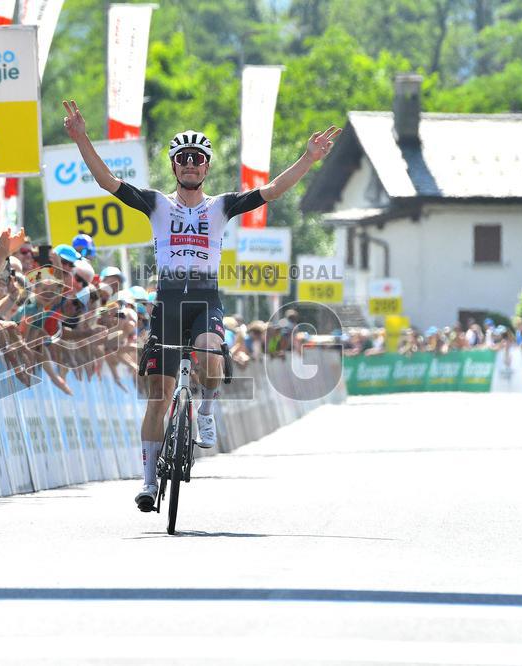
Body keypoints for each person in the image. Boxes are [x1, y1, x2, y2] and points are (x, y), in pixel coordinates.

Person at [62, 99, 341, 511]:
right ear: (175, 167)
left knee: (211, 355)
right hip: (168, 302)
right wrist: (82, 138)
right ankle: (148, 481)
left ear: (206, 167)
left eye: (197, 159)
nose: (190, 164)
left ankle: (207, 411)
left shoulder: (221, 206)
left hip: (206, 299)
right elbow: (107, 182)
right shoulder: (156, 203)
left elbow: (274, 190)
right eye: (183, 159)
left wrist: (307, 158)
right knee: (158, 396)